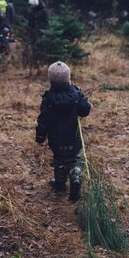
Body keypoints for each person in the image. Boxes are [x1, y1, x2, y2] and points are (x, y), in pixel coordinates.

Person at [35, 61, 92, 201]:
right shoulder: (76, 94)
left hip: (56, 138)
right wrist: (84, 99)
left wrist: (40, 136)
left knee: (59, 159)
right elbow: (85, 111)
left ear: (51, 80)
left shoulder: (48, 98)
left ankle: (60, 182)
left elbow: (43, 119)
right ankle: (76, 176)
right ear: (68, 77)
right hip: (74, 136)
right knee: (75, 158)